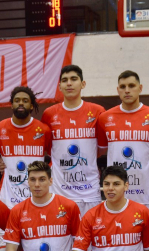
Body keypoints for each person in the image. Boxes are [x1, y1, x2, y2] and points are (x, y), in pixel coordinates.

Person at [97, 70, 149, 226]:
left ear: (140, 88)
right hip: (117, 195)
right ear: (118, 90)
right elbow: (99, 150)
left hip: (147, 194)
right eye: (123, 87)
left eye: (131, 86)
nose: (127, 90)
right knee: (118, 236)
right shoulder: (105, 118)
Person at [41, 65, 105, 218]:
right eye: (65, 80)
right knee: (60, 233)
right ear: (59, 86)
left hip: (89, 191)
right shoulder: (49, 114)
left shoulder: (98, 111)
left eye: (73, 79)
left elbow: (102, 148)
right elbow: (48, 149)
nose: (69, 83)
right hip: (59, 191)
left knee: (90, 233)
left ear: (83, 84)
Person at [72, 165, 149, 251]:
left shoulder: (142, 212)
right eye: (107, 184)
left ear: (126, 186)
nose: (110, 188)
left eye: (116, 184)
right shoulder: (91, 215)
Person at [3, 161, 81, 251]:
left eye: (42, 179)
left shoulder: (69, 206)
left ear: (50, 181)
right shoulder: (17, 210)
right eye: (32, 179)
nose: (37, 184)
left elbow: (79, 246)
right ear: (28, 181)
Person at [0, 86, 52, 211]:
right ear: (11, 105)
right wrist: (0, 162)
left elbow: (54, 158)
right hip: (8, 198)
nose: (21, 103)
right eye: (17, 100)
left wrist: (45, 174)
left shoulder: (43, 130)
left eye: (25, 100)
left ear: (31, 106)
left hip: (36, 196)